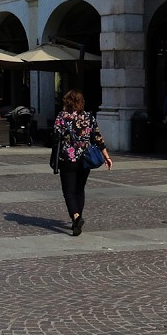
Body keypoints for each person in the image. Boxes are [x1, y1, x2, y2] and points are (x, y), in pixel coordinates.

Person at [51, 89, 113, 236]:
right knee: (79, 189)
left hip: (68, 158)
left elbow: (55, 136)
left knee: (68, 191)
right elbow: (97, 137)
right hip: (85, 158)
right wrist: (107, 157)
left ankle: (76, 217)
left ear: (67, 102)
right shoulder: (89, 117)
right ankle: (76, 222)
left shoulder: (62, 117)